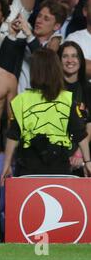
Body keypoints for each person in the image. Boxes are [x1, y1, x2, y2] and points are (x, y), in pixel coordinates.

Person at [0, 48, 91, 183]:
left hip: (28, 166)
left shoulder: (22, 100)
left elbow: (13, 134)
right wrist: (88, 161)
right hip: (58, 166)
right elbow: (80, 134)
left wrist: (6, 164)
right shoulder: (66, 99)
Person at [58, 41, 91, 176]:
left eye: (74, 56)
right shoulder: (51, 89)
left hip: (84, 153)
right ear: (58, 61)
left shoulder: (88, 89)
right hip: (57, 153)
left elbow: (90, 125)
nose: (70, 60)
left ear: (80, 60)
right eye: (65, 56)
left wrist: (79, 153)